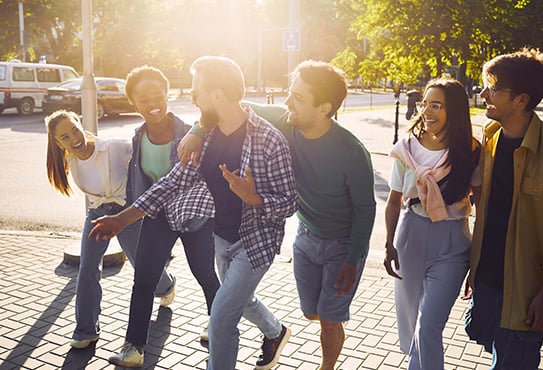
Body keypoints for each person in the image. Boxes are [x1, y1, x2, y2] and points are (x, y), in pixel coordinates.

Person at [89, 56, 297, 370]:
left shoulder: (269, 139)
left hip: (255, 244)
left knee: (222, 321)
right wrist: (121, 219)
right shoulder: (208, 136)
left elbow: (290, 202)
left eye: (197, 90)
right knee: (240, 302)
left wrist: (255, 199)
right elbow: (174, 181)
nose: (192, 96)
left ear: (216, 94)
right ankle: (275, 331)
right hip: (222, 239)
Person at [179, 60, 376, 370]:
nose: (287, 103)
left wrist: (353, 258)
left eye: (297, 98)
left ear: (323, 108)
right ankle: (276, 331)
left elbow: (366, 209)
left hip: (343, 244)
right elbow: (230, 104)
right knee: (310, 311)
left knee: (328, 317)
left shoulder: (351, 151)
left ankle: (327, 367)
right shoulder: (287, 121)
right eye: (289, 93)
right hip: (306, 238)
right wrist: (196, 129)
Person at [88, 65, 220, 368]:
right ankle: (133, 348)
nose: (152, 103)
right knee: (143, 280)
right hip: (157, 216)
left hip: (193, 217)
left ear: (168, 94)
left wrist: (124, 218)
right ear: (134, 103)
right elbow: (140, 181)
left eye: (158, 95)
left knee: (205, 274)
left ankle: (219, 325)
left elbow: (175, 182)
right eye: (143, 98)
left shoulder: (191, 133)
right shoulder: (138, 137)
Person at [45, 110, 174, 349]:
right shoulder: (69, 160)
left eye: (74, 129)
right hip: (97, 214)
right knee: (88, 267)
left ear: (80, 123)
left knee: (143, 265)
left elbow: (146, 160)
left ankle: (166, 285)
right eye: (64, 137)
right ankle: (85, 330)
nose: (74, 138)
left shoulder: (113, 146)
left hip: (125, 212)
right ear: (57, 142)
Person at [465, 48, 543, 369]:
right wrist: (473, 268)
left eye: (493, 87)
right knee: (497, 353)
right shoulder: (489, 138)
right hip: (488, 279)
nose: (483, 93)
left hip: (527, 292)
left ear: (521, 100)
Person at [383, 78, 481, 370]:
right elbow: (393, 200)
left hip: (452, 243)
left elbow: (482, 201)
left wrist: (479, 256)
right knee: (412, 323)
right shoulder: (406, 148)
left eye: (436, 105)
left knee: (428, 328)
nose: (427, 110)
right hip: (410, 236)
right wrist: (389, 244)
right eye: (424, 103)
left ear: (455, 110)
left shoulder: (472, 150)